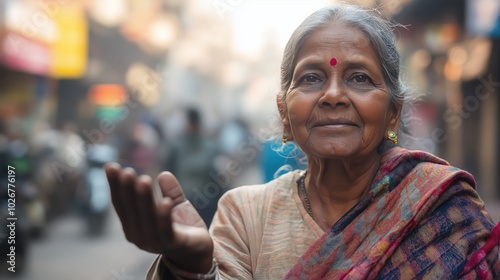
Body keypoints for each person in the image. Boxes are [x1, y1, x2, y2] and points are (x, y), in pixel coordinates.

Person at [104, 5, 500, 279]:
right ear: (284, 112)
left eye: (359, 78)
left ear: (393, 112)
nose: (332, 95)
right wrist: (190, 267)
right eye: (310, 78)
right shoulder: (246, 215)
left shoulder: (444, 210)